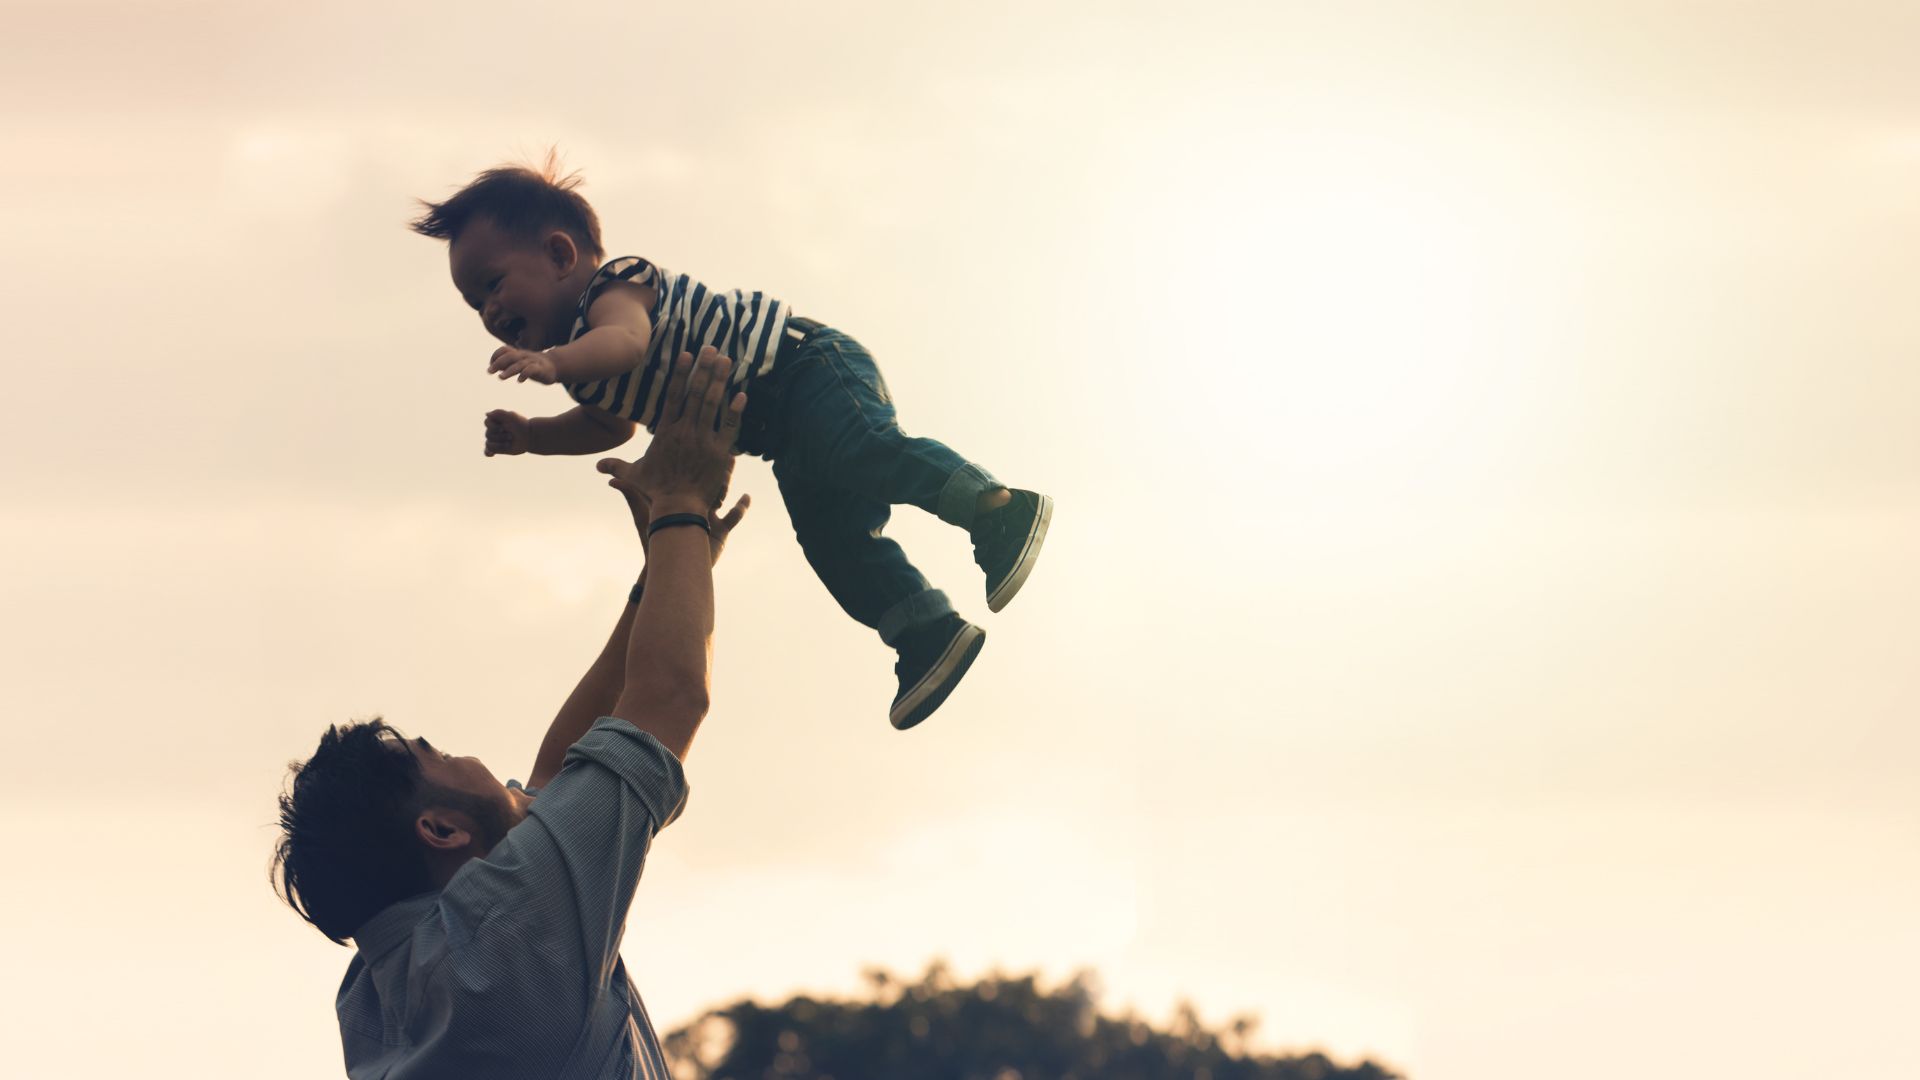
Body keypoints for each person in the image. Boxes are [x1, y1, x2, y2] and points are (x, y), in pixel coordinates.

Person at [408, 158, 1053, 730]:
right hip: (783, 437)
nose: (489, 312)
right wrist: (533, 437)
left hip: (803, 367)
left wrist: (553, 365)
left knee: (863, 449)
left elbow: (628, 340)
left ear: (559, 255)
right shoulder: (585, 373)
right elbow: (611, 426)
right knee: (831, 540)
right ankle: (926, 632)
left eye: (493, 285)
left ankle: (996, 508)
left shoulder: (619, 287)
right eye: (474, 303)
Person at [273, 350, 749, 1079]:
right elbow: (669, 701)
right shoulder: (500, 941)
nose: (479, 761)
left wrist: (669, 568)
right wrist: (682, 498)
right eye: (439, 754)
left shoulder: (381, 986)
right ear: (440, 828)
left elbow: (566, 767)